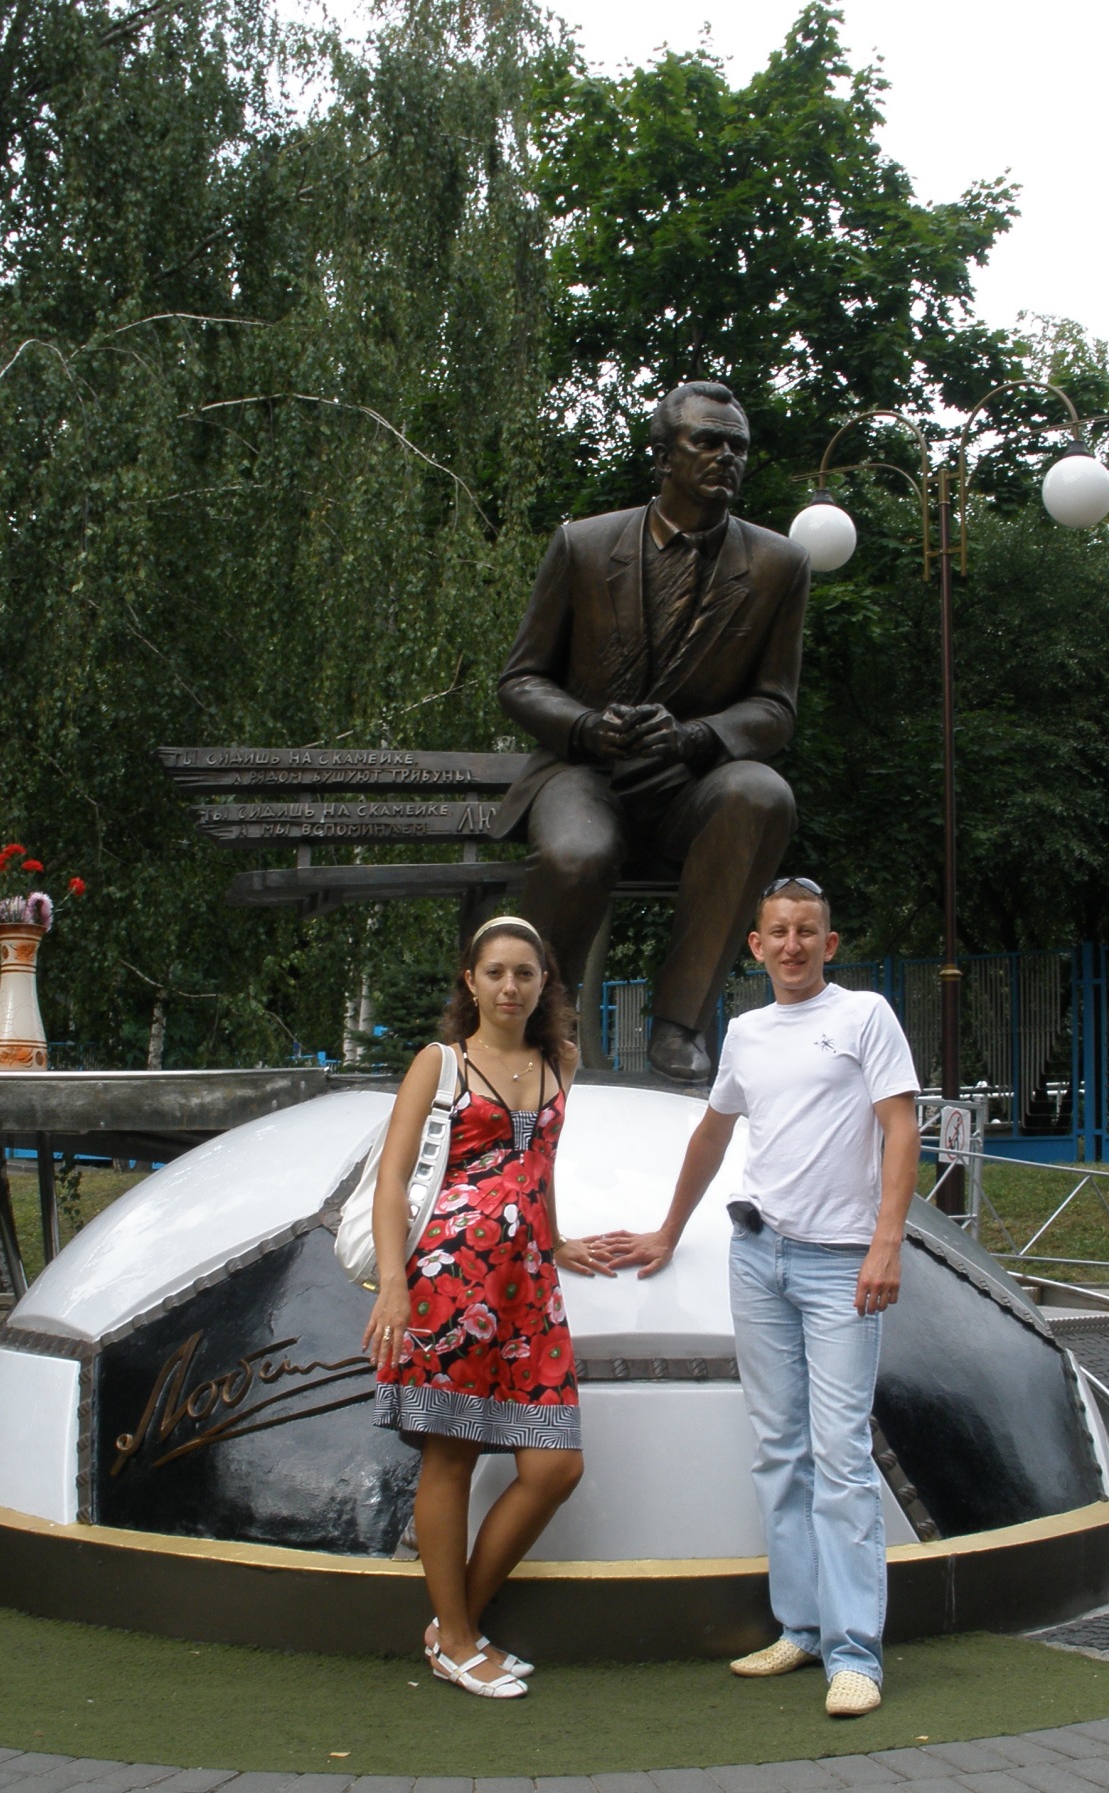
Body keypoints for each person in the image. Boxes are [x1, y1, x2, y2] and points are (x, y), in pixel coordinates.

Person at [603, 879, 920, 1717]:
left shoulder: (865, 1017)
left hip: (840, 1264)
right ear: (755, 945)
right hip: (758, 1257)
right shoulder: (744, 1032)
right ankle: (801, 1627)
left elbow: (900, 1127)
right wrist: (668, 1230)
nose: (792, 945)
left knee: (840, 1455)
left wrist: (886, 1242)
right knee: (780, 1451)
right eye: (777, 932)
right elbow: (714, 1133)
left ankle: (856, 1655)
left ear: (829, 942)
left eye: (806, 932)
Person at [492, 380, 810, 1086]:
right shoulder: (583, 545)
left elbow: (774, 707)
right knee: (578, 854)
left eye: (738, 447)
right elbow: (520, 679)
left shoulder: (778, 565)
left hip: (690, 785)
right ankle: (540, 1021)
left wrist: (695, 737)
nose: (726, 457)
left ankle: (680, 1022)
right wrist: (584, 725)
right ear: (663, 456)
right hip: (585, 773)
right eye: (708, 441)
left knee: (762, 793)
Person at [366, 915, 614, 1699]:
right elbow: (391, 1179)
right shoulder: (440, 1063)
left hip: (530, 1290)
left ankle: (455, 1627)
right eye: (496, 973)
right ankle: (459, 1640)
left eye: (525, 974)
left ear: (545, 984)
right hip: (449, 1284)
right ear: (470, 982)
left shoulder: (560, 1060)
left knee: (554, 1466)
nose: (511, 987)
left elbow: (538, 1163)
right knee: (453, 1457)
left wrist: (555, 1238)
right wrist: (394, 1284)